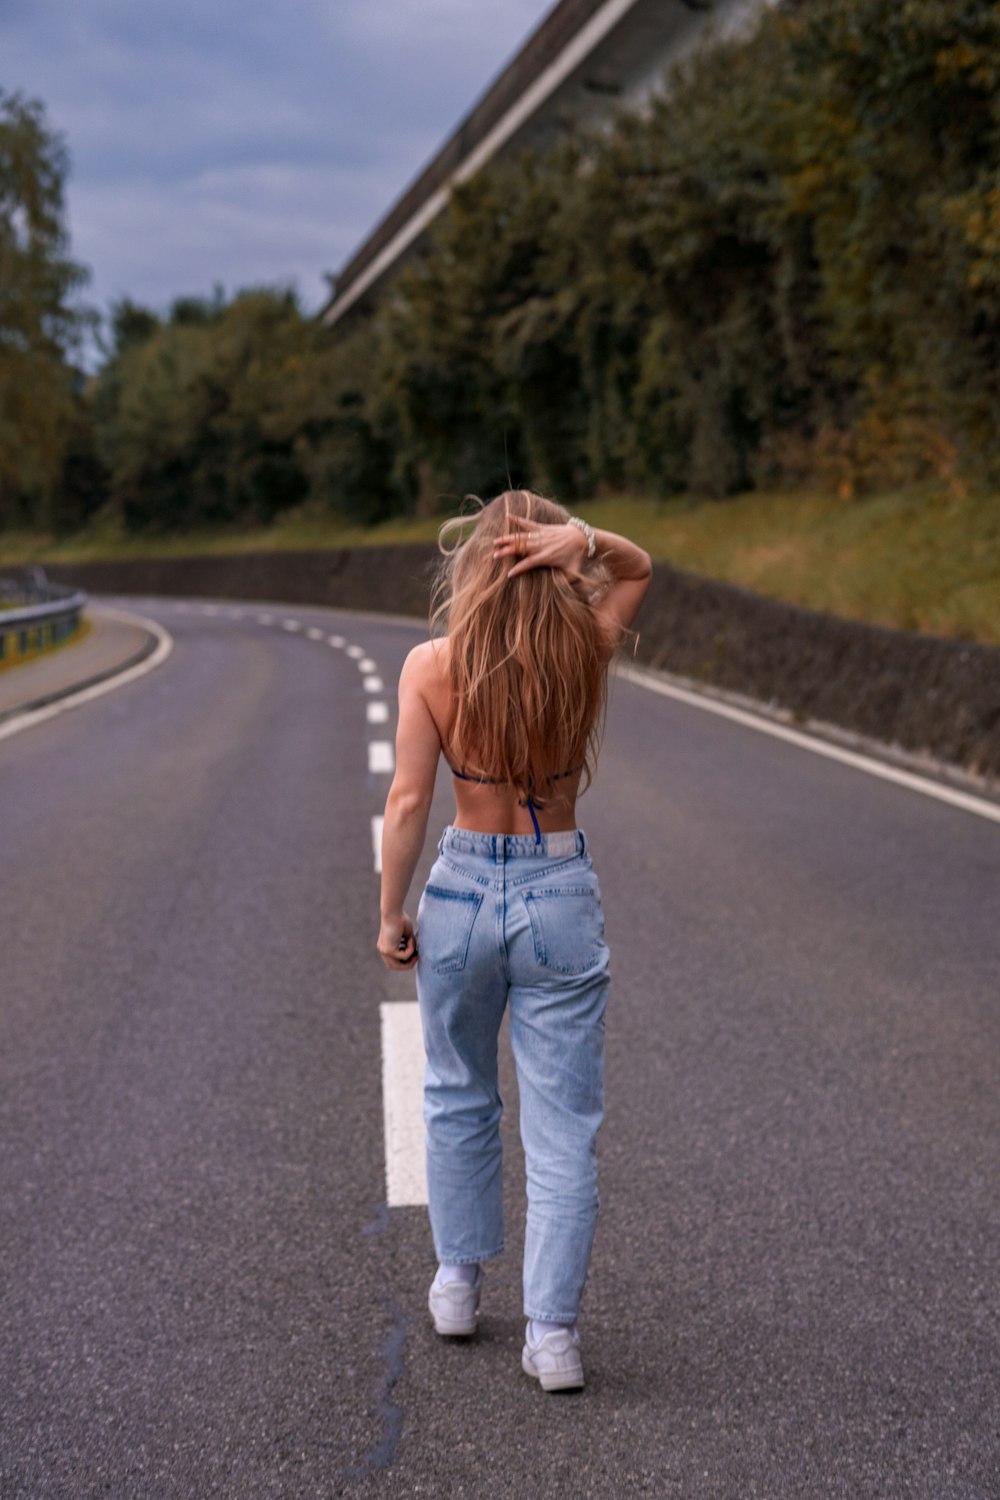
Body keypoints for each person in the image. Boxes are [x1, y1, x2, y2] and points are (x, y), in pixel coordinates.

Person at [376, 489, 652, 1391]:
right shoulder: (584, 651)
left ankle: (458, 1285)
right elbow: (639, 565)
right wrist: (586, 540)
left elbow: (409, 802)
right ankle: (553, 1339)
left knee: (457, 1093)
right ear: (548, 555)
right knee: (564, 1131)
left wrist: (392, 911)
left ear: (475, 566)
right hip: (558, 890)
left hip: (459, 890)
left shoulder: (432, 664)